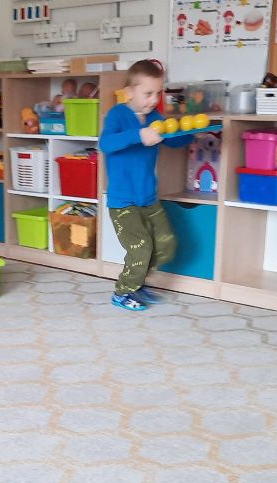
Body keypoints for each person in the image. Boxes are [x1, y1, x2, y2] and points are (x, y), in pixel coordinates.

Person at [98, 60, 193, 311]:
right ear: (129, 92)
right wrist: (139, 135)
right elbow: (105, 144)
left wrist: (190, 131)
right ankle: (122, 292)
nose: (153, 99)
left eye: (158, 93)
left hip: (148, 198)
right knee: (140, 247)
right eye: (148, 93)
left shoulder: (155, 118)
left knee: (166, 245)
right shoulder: (118, 115)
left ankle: (137, 283)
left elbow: (171, 140)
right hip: (123, 202)